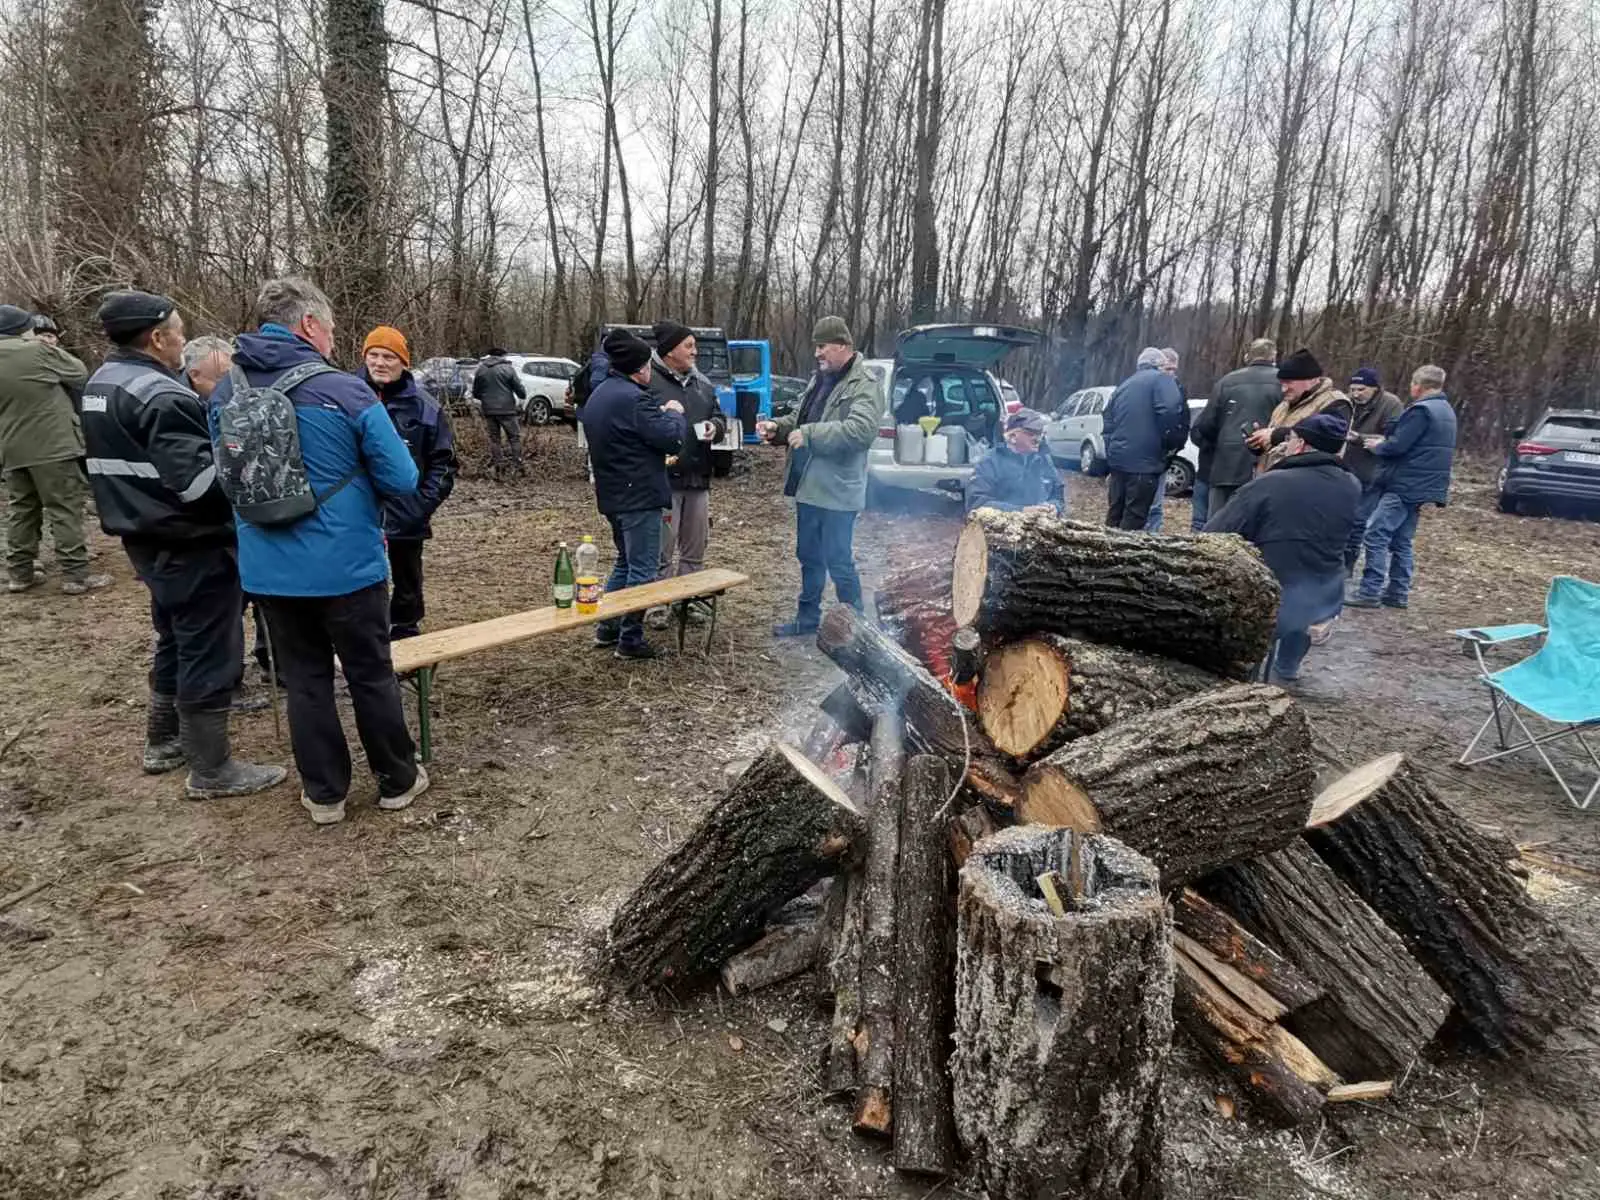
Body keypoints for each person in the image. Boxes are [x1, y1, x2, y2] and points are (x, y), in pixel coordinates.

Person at [208, 276, 426, 827]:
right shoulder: (344, 390)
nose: (332, 340)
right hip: (347, 567)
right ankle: (399, 781)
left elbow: (225, 476)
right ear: (309, 325)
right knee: (370, 673)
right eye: (328, 329)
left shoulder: (226, 391)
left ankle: (325, 796)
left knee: (304, 680)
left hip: (268, 570)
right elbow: (402, 477)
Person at [81, 291, 286, 796]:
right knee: (209, 648)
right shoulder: (162, 394)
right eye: (178, 330)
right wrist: (244, 466)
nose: (182, 338)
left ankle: (163, 740)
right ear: (157, 337)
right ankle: (212, 769)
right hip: (191, 540)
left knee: (174, 636)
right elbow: (199, 486)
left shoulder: (101, 383)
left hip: (143, 534)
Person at [1206, 413, 1360, 684]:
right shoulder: (1352, 485)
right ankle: (1286, 671)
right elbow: (1353, 539)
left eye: (1289, 439)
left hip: (1273, 588)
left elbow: (1216, 533)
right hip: (1324, 590)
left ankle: (1248, 678)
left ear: (1300, 444)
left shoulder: (1270, 484)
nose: (1285, 444)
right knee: (1302, 608)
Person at [756, 316, 882, 636]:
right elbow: (800, 416)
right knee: (809, 557)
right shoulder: (820, 379)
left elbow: (861, 431)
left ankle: (858, 630)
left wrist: (810, 434)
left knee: (838, 561)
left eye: (822, 346)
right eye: (816, 346)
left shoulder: (864, 383)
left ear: (842, 345)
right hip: (809, 486)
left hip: (839, 491)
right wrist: (778, 428)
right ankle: (808, 620)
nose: (817, 353)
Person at [579, 328, 687, 660]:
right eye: (648, 365)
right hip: (639, 496)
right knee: (642, 569)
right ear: (640, 368)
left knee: (625, 563)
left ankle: (607, 627)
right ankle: (630, 639)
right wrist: (673, 413)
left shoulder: (599, 394)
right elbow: (670, 439)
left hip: (613, 495)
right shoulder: (635, 398)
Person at [0, 302, 109, 595]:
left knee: (22, 510)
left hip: (11, 448)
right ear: (24, 329)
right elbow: (78, 373)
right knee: (64, 507)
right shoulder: (36, 351)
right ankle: (76, 574)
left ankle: (19, 573)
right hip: (52, 445)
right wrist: (41, 345)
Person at [360, 325, 457, 640]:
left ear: (403, 362)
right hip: (358, 515)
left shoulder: (425, 407)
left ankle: (405, 635)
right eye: (373, 355)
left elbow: (444, 463)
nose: (380, 363)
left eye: (388, 356)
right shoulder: (349, 396)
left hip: (406, 515)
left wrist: (421, 505)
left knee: (407, 582)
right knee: (361, 583)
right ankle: (366, 638)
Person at [1347, 364, 1458, 610]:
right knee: (1401, 540)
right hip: (1425, 485)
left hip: (1404, 484)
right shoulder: (1446, 410)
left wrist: (1377, 446)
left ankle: (1369, 591)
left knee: (1375, 534)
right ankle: (1398, 592)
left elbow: (1397, 447)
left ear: (1418, 385)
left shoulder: (1421, 411)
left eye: (1412, 384)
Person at [649, 320, 727, 582]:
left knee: (695, 551)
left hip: (699, 477)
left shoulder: (702, 383)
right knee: (661, 551)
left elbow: (719, 416)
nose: (695, 352)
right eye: (689, 346)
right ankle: (659, 605)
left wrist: (715, 427)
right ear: (670, 350)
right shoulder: (648, 381)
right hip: (663, 480)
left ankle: (689, 601)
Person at [1193, 338, 1280, 520]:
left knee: (1217, 525)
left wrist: (1219, 445)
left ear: (1248, 356)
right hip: (1267, 465)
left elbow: (1207, 424)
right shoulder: (1284, 384)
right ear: (1274, 356)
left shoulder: (1227, 382)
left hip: (1225, 465)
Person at [1101, 346, 1184, 530]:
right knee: (1135, 516)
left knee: (1115, 513)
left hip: (1118, 462)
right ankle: (1124, 556)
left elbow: (1107, 420)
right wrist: (1168, 446)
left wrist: (1112, 450)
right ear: (1159, 365)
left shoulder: (1124, 385)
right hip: (1144, 463)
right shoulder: (1162, 380)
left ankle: (1107, 551)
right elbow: (1170, 412)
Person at [1246, 348, 1353, 474]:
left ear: (1310, 380)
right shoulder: (1284, 405)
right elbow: (1276, 446)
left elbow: (1332, 443)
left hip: (1306, 481)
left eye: (1288, 383)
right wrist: (1259, 443)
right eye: (1281, 384)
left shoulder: (1336, 402)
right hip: (1272, 479)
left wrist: (1275, 435)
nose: (1283, 389)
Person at [1340, 368, 1404, 574]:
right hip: (1345, 467)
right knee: (1340, 517)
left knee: (1358, 520)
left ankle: (1348, 564)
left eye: (1361, 389)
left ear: (1375, 389)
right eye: (1352, 389)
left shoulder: (1391, 404)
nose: (1356, 394)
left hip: (1372, 472)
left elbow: (1393, 439)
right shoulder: (1347, 403)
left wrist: (1358, 438)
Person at [966, 408, 1064, 515]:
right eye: (1031, 433)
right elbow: (976, 503)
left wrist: (1054, 507)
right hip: (1001, 529)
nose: (1038, 438)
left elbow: (1058, 494)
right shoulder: (990, 462)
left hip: (1040, 527)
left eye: (1040, 433)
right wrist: (1021, 511)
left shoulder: (1043, 459)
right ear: (1013, 437)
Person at [1143, 347, 1190, 532]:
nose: (1171, 373)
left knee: (1156, 505)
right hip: (1145, 452)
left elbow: (1183, 419)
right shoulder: (1149, 387)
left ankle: (1153, 539)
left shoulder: (1178, 388)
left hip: (1164, 454)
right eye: (1168, 369)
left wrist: (1176, 445)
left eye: (1174, 369)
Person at [471, 347, 526, 476]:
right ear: (503, 356)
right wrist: (520, 394)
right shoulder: (508, 369)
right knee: (514, 438)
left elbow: (476, 393)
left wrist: (486, 399)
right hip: (507, 409)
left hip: (489, 410)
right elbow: (520, 391)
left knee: (494, 439)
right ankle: (518, 466)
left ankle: (499, 466)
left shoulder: (481, 370)